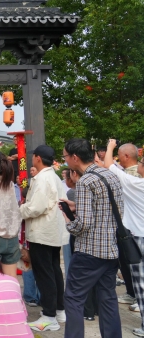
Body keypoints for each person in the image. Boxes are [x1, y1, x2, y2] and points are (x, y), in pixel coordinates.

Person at [60, 138, 123, 338]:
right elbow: (112, 209)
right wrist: (77, 206)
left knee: (73, 298)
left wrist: (68, 221)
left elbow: (83, 224)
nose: (65, 160)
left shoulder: (85, 181)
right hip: (111, 249)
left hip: (89, 252)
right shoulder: (110, 174)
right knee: (108, 298)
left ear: (75, 157)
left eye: (65, 156)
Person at [17, 145, 69, 331]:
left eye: (33, 156)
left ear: (38, 158)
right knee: (54, 271)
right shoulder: (53, 176)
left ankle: (49, 316)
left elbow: (35, 207)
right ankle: (59, 310)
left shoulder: (42, 178)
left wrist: (19, 210)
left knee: (44, 274)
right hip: (52, 231)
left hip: (42, 232)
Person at [105, 139, 144, 336]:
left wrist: (110, 146)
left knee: (141, 284)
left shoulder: (135, 184)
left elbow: (109, 166)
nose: (139, 164)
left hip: (139, 239)